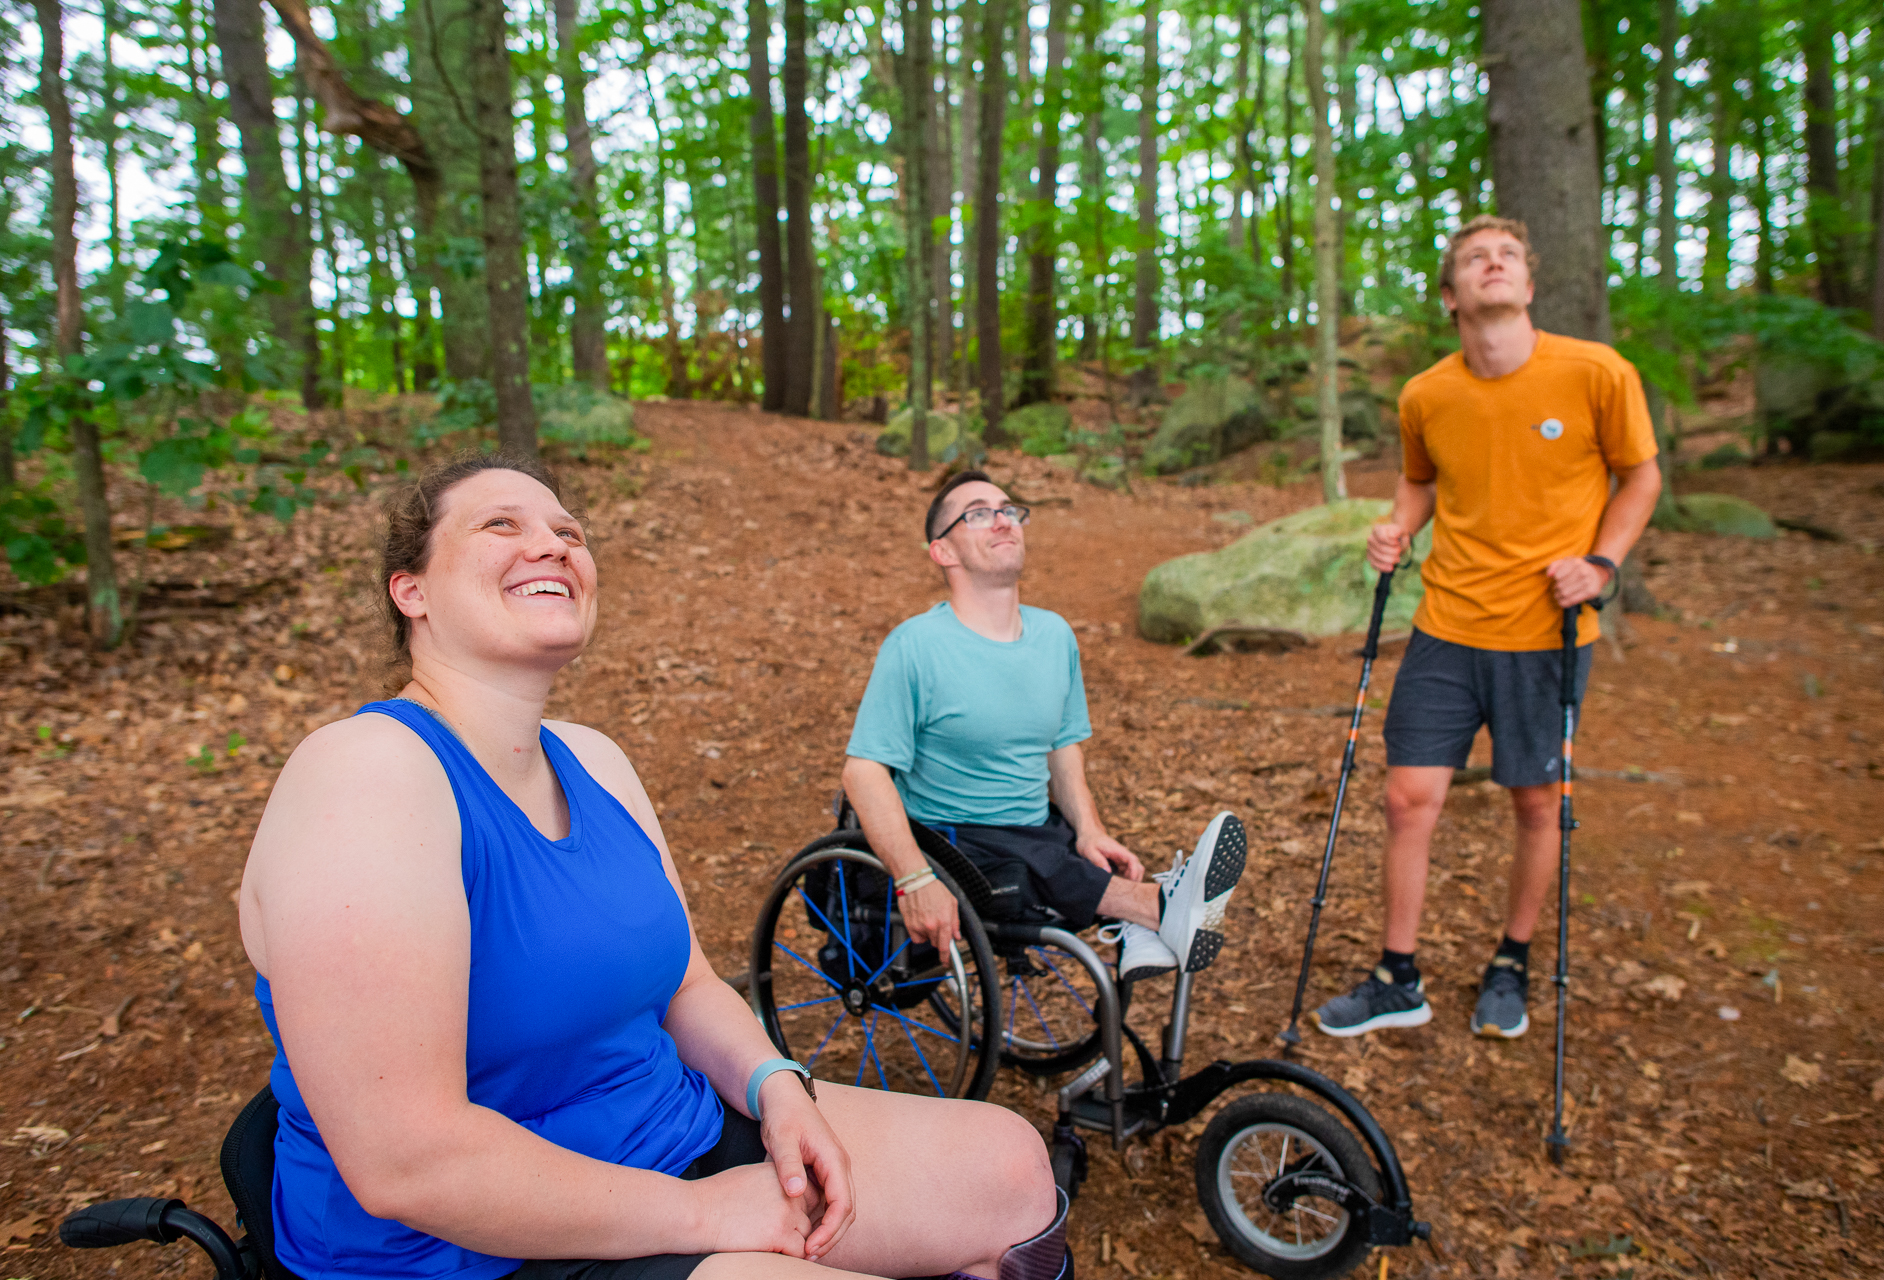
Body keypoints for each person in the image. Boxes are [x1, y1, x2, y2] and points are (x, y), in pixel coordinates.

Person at [237, 455, 1064, 1280]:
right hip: (472, 1247)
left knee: (1012, 1170)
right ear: (409, 590)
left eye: (569, 532)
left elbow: (690, 987)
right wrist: (709, 1215)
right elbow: (406, 1164)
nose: (553, 545)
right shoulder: (364, 774)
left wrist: (778, 1085)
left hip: (668, 1134)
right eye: (502, 526)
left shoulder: (595, 762)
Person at [1311, 215, 1662, 1041]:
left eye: (1508, 255)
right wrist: (1395, 528)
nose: (1494, 263)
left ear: (1529, 285)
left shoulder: (1597, 373)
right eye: (1475, 258)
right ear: (1451, 295)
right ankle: (1399, 976)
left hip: (1548, 629)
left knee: (1537, 805)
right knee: (1407, 798)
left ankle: (1512, 958)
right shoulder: (1427, 394)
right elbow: (1418, 480)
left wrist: (1603, 565)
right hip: (1448, 622)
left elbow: (1641, 477)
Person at [841, 470, 1246, 983]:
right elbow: (863, 773)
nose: (1003, 521)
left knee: (1059, 853)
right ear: (944, 552)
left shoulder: (1054, 636)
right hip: (951, 836)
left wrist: (1089, 829)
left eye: (1009, 510)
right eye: (979, 513)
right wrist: (914, 878)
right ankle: (1161, 906)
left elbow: (1063, 745)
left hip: (1032, 826)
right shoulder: (916, 646)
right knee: (1030, 860)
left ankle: (1144, 921)